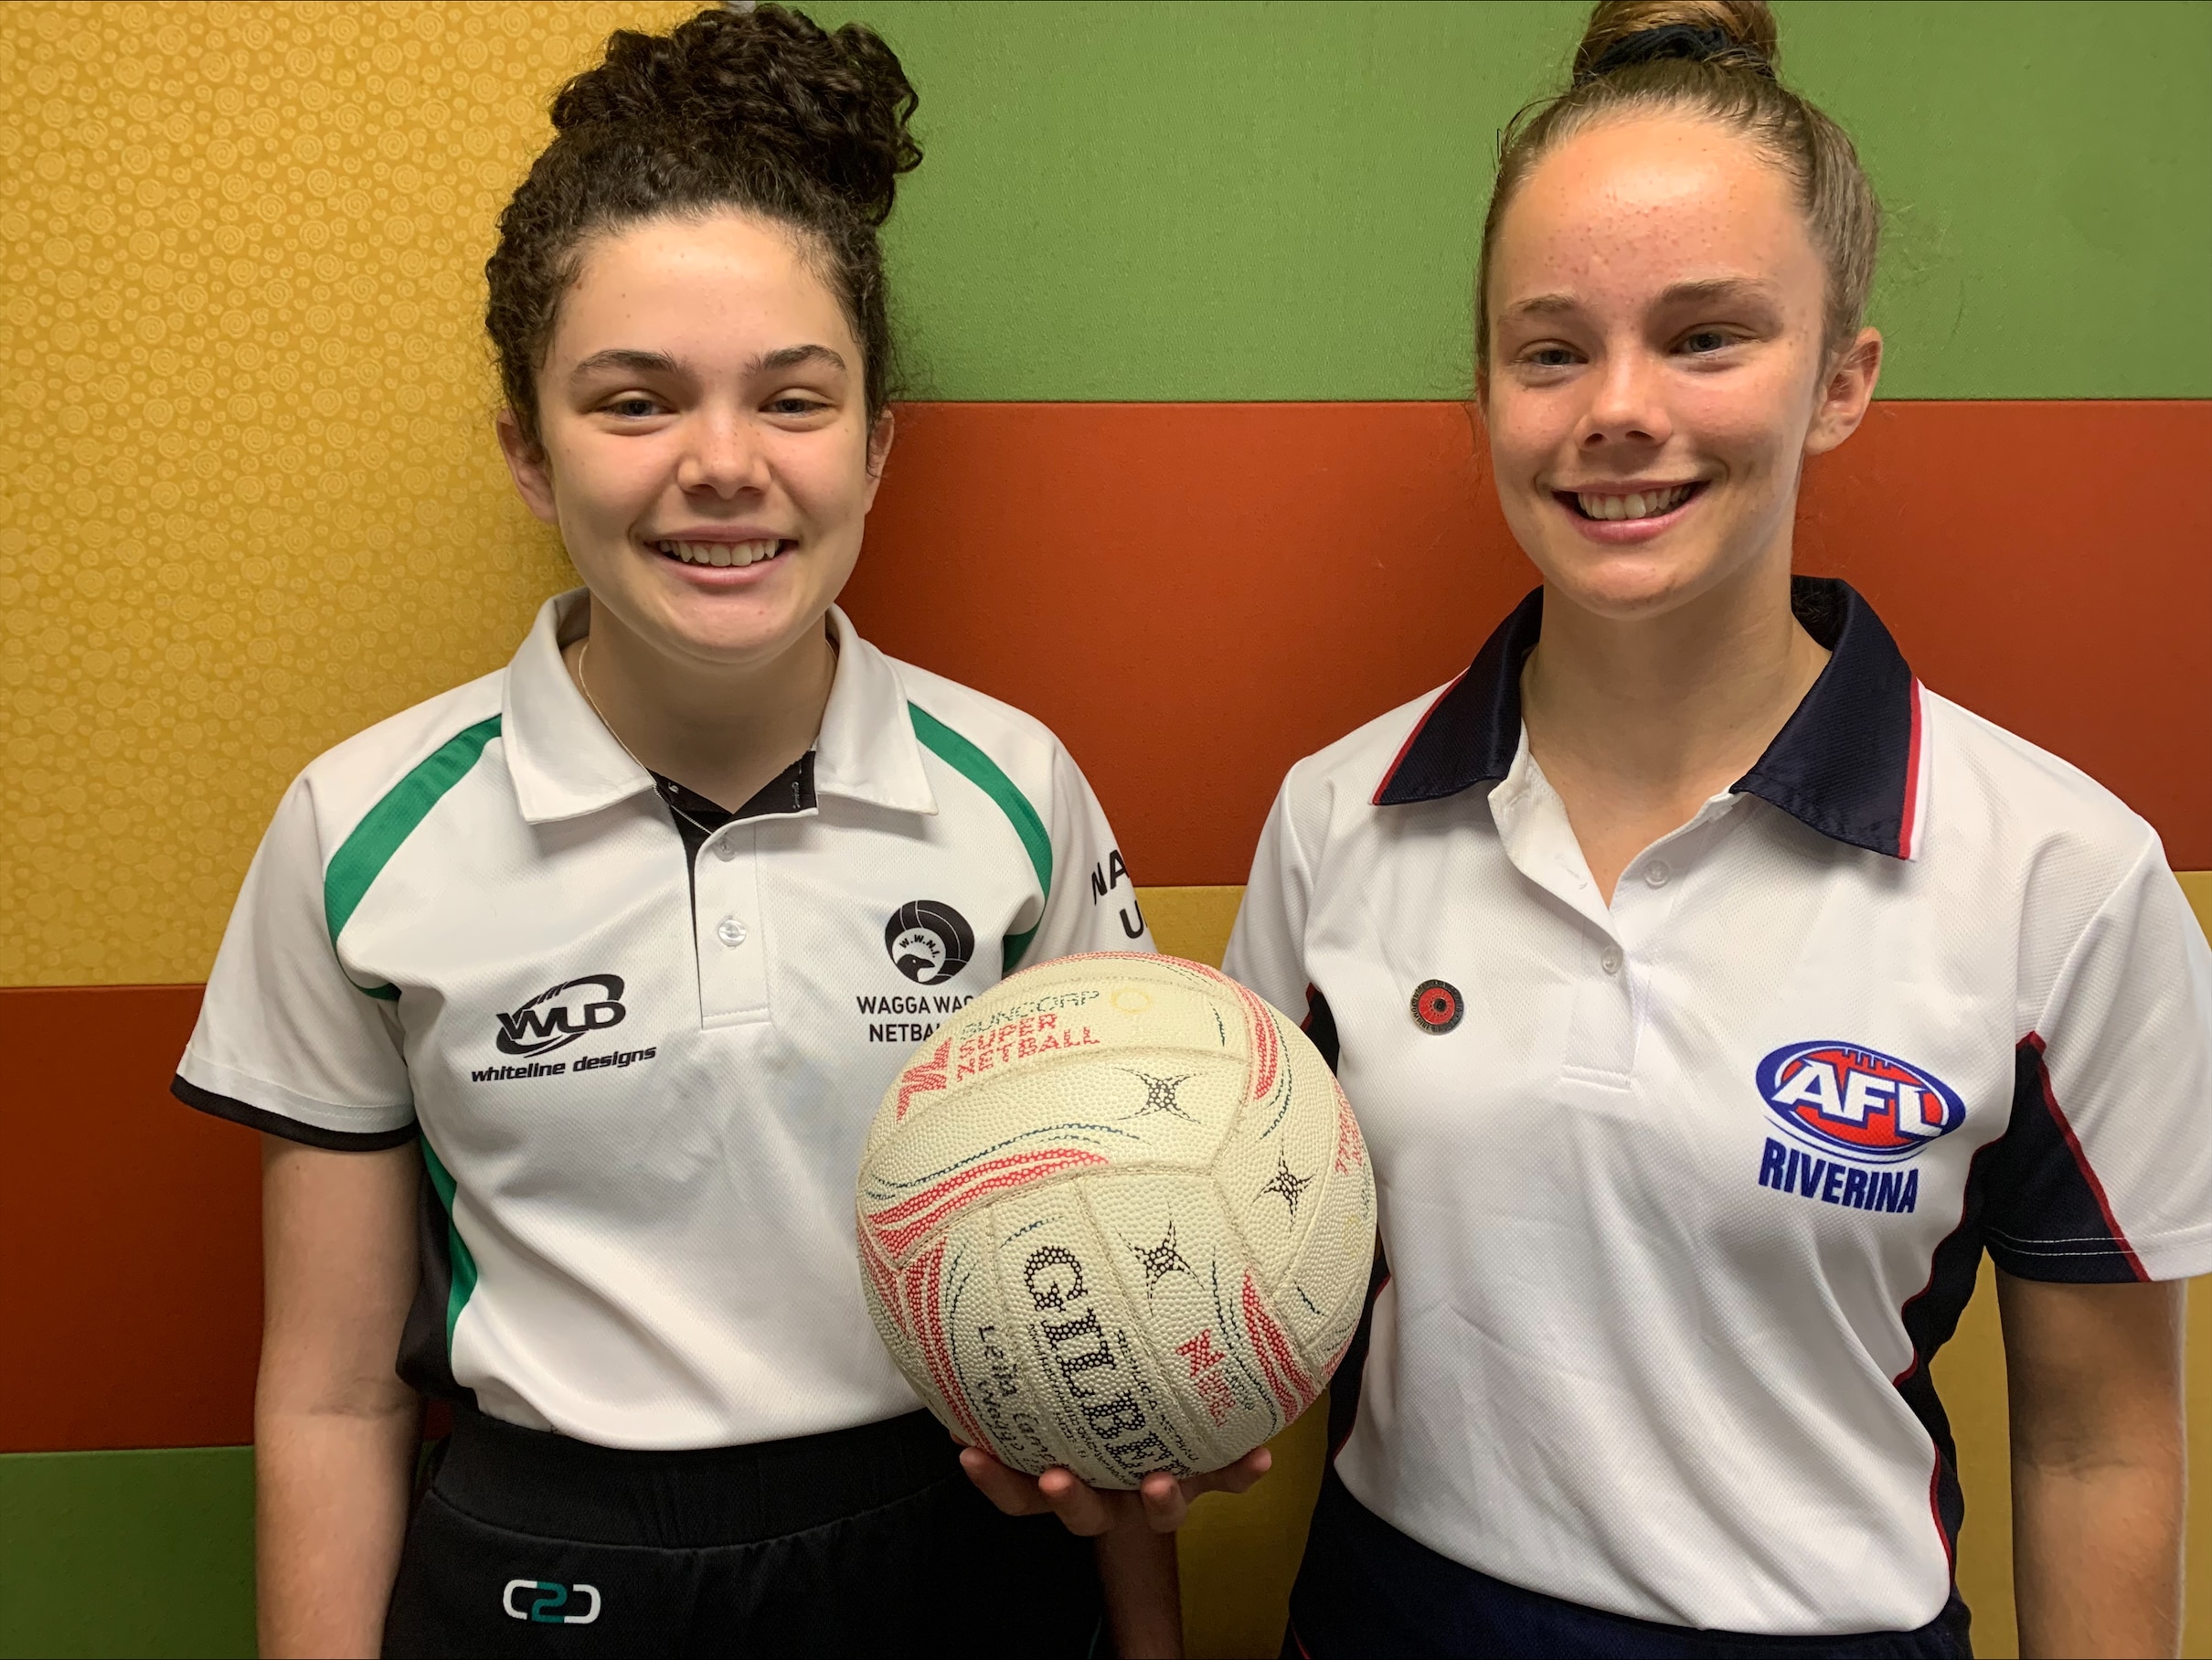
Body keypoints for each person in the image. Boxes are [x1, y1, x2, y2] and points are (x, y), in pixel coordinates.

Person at [172, 6, 1196, 1654]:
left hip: (955, 1553)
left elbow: (1126, 1333)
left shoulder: (1014, 792)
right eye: (633, 401)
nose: (723, 466)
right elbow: (337, 1394)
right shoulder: (356, 830)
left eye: (793, 400)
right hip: (548, 1566)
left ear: (877, 442)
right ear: (526, 448)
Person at [1223, 3, 2212, 1655]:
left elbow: (2099, 1442)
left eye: (1705, 337)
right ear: (1482, 395)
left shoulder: (2061, 880)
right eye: (1551, 349)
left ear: (1842, 379)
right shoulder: (1338, 823)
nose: (1619, 409)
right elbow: (1238, 1285)